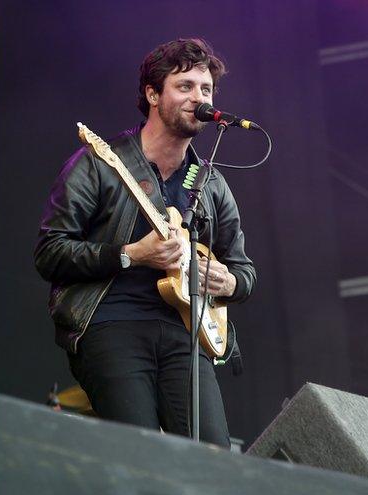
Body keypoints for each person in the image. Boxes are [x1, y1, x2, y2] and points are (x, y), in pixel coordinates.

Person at [34, 38, 256, 447]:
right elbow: (50, 253)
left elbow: (243, 270)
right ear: (153, 94)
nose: (199, 97)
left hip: (185, 335)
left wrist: (230, 284)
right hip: (110, 324)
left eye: (205, 89)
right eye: (185, 86)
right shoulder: (99, 164)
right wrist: (130, 255)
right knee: (140, 453)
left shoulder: (210, 183)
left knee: (214, 459)